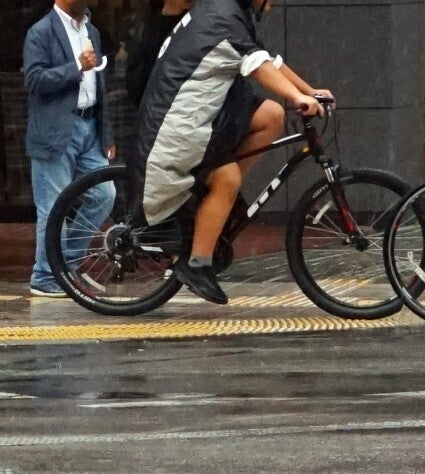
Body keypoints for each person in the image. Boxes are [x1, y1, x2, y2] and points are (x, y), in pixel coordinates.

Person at [130, 0, 328, 305]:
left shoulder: (225, 10)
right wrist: (296, 97)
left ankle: (213, 200)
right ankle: (196, 265)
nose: (270, 6)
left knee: (271, 115)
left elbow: (268, 59)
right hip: (179, 126)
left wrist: (309, 91)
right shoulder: (223, 19)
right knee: (228, 179)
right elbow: (257, 66)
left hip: (198, 117)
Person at [23, 0, 117, 298]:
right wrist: (76, 67)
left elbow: (100, 86)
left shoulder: (92, 30)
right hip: (55, 130)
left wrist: (107, 133)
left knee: (105, 195)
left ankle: (64, 265)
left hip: (90, 127)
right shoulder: (41, 31)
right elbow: (34, 80)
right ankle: (45, 276)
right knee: (53, 207)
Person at [125, 0, 193, 108]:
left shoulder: (195, 23)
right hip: (152, 102)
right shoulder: (149, 24)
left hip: (178, 104)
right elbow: (137, 69)